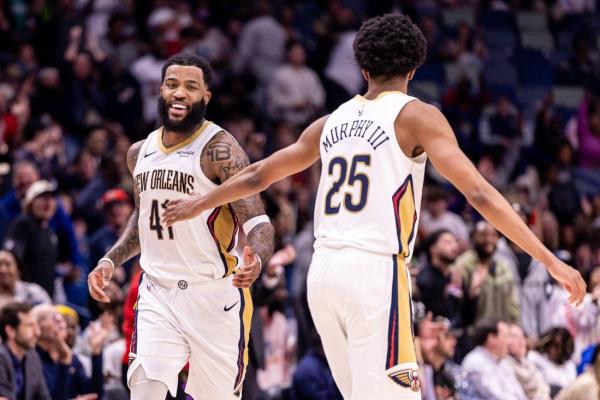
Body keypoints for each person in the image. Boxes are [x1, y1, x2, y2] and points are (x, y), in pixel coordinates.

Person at [162, 14, 586, 399]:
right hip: (373, 273)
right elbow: (478, 194)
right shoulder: (417, 116)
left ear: (363, 69)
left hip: (322, 275)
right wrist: (550, 260)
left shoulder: (331, 120)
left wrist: (200, 202)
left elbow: (258, 175)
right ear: (413, 69)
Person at [88, 53, 275, 400]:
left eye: (191, 87)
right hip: (157, 291)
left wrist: (258, 259)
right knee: (144, 390)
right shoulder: (139, 152)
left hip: (213, 295)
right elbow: (143, 219)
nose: (179, 93)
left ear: (206, 96)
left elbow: (258, 222)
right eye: (172, 84)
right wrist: (110, 260)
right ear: (161, 90)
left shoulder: (220, 149)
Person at [462, 320, 527, 399]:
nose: (509, 342)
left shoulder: (502, 362)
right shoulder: (475, 362)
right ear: (491, 338)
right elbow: (495, 396)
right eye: (506, 336)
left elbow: (517, 391)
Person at [0, 302, 50, 400]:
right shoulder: (1, 358)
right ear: (10, 331)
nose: (37, 332)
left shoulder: (33, 358)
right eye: (30, 325)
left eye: (36, 325)